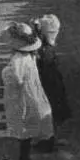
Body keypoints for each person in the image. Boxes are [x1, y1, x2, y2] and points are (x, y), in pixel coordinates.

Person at [1, 22, 54, 160]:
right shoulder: (29, 56)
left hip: (21, 96)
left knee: (23, 125)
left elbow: (15, 78)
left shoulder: (18, 59)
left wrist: (5, 72)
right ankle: (35, 150)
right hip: (31, 92)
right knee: (31, 121)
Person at [32, 14, 70, 152]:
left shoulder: (44, 50)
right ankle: (51, 138)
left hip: (48, 84)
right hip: (54, 83)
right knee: (53, 112)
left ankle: (49, 141)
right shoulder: (49, 46)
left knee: (48, 112)